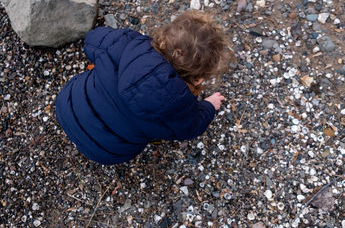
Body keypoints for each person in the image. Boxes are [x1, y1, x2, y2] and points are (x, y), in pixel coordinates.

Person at [56, 11, 233, 165]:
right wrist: (209, 106)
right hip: (107, 151)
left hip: (67, 103)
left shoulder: (128, 42)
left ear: (163, 37)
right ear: (198, 80)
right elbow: (193, 126)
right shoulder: (179, 107)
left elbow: (92, 40)